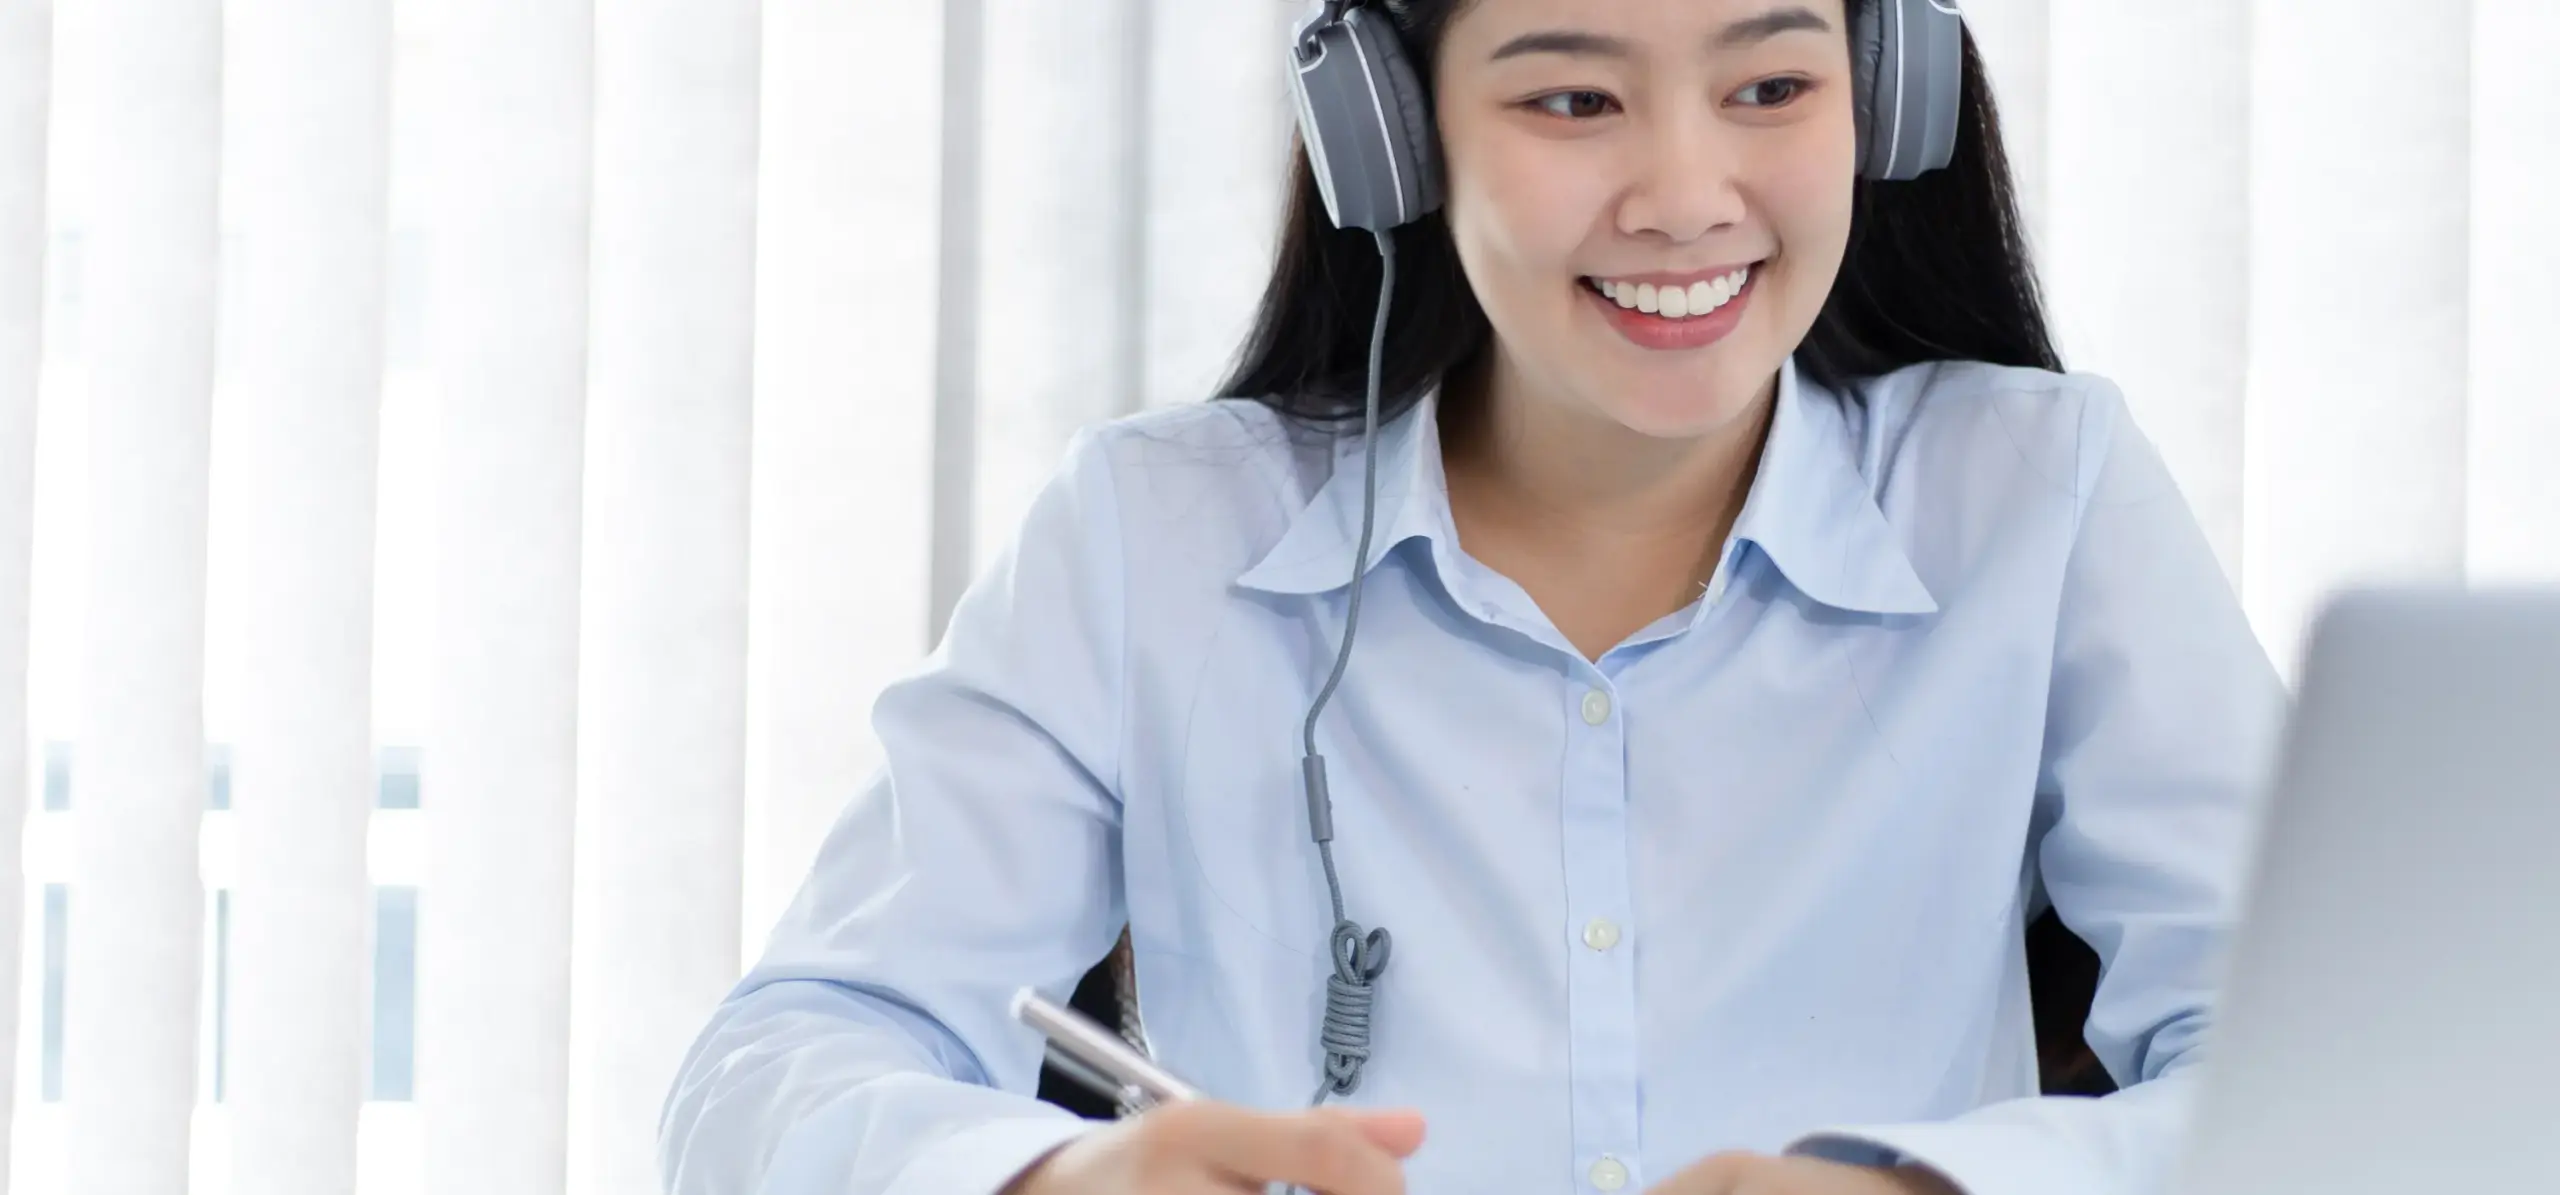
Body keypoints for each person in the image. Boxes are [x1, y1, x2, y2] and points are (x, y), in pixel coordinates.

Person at [659, 1, 2285, 1193]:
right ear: (1391, 131)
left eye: (1772, 84)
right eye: (1574, 100)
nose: (1685, 192)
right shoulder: (1152, 539)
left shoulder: (2040, 500)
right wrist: (1052, 1181)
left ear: (1887, 99)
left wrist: (1922, 1188)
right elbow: (768, 1075)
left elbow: (2327, 1087)